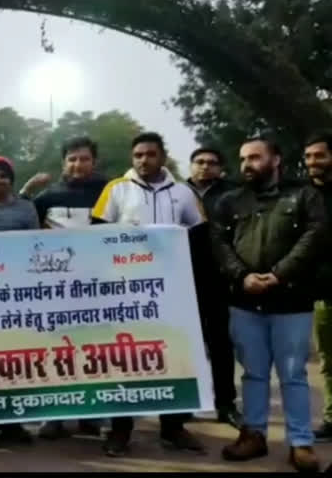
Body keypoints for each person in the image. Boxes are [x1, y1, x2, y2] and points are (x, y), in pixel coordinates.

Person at [212, 136, 326, 472]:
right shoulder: (230, 200)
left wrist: (277, 275)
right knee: (253, 373)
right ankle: (253, 435)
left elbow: (314, 237)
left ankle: (301, 443)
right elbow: (219, 243)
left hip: (291, 301)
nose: (247, 164)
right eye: (243, 158)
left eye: (255, 158)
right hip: (245, 301)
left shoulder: (304, 195)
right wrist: (241, 277)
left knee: (292, 374)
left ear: (275, 159)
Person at [92, 132, 205, 457]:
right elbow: (96, 236)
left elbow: (199, 235)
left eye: (150, 154)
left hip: (171, 292)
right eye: (138, 154)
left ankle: (173, 427)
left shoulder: (184, 193)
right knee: (125, 359)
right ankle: (120, 430)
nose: (144, 160)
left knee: (173, 358)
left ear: (163, 157)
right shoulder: (116, 189)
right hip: (125, 293)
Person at [21, 136, 107, 440]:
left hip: (98, 287)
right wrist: (27, 191)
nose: (77, 164)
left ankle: (89, 416)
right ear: (63, 162)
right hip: (54, 289)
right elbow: (20, 225)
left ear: (93, 161)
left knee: (93, 351)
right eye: (72, 159)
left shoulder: (111, 192)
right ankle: (54, 415)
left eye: (84, 159)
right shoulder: (47, 197)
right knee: (54, 351)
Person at [0, 156, 38, 448]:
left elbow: (36, 247)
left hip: (19, 298)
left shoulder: (26, 209)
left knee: (18, 363)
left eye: (3, 176)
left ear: (11, 181)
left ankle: (14, 425)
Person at [185, 148, 242, 429]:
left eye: (212, 163)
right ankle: (185, 404)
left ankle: (226, 404)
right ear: (191, 165)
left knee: (220, 343)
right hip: (181, 279)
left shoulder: (233, 194)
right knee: (186, 343)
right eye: (200, 162)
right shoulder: (177, 192)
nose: (205, 167)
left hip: (220, 278)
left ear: (221, 168)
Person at [306, 131, 332, 442]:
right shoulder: (303, 196)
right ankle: (331, 418)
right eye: (309, 157)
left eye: (319, 156)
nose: (313, 162)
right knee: (329, 360)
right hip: (324, 295)